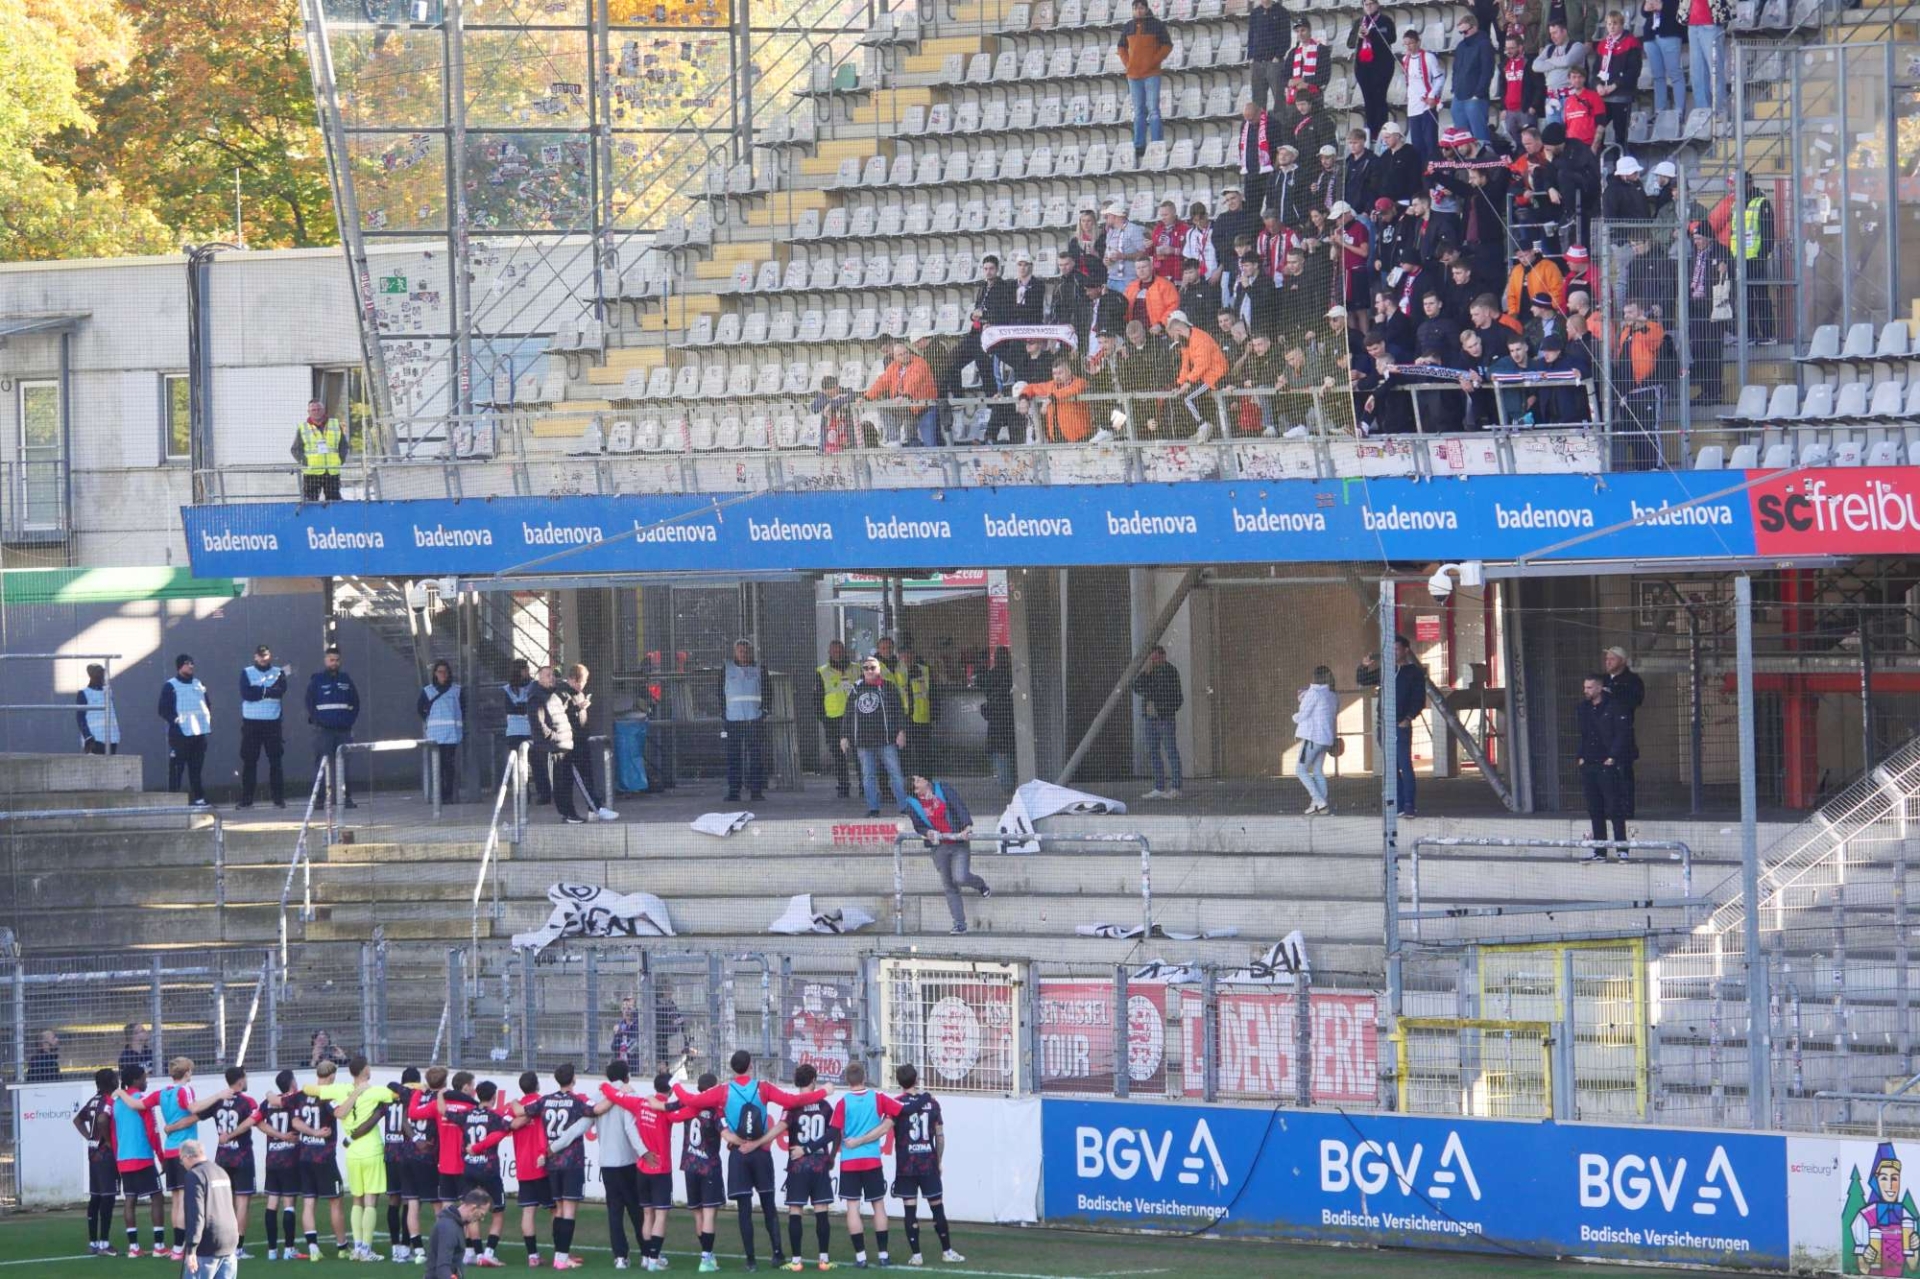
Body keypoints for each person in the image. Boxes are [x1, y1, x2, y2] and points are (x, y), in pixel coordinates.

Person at [672, 1051, 830, 1272]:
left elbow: (691, 1100)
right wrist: (823, 1092)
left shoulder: (723, 1090)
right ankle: (777, 1254)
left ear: (732, 1068)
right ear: (751, 1066)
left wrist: (675, 1084)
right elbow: (793, 1101)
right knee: (768, 1205)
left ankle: (751, 1260)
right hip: (760, 1151)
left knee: (744, 1210)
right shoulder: (762, 1087)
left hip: (739, 1153)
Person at [171, 1066, 263, 1262]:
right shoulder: (248, 1102)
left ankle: (221, 1243)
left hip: (222, 1159)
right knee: (242, 1202)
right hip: (242, 1157)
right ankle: (238, 1248)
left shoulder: (218, 1102)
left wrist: (172, 1127)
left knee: (222, 1203)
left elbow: (193, 1118)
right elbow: (256, 1122)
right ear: (240, 1081)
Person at [886, 1064, 962, 1266]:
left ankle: (917, 1255)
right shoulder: (932, 1103)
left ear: (899, 1082)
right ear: (916, 1079)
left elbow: (887, 1129)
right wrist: (939, 1160)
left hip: (906, 1165)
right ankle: (947, 1251)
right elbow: (940, 1136)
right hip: (928, 1163)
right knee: (937, 1207)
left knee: (909, 1210)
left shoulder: (896, 1104)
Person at [832, 1062, 903, 1268]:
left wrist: (832, 1156)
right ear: (864, 1077)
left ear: (847, 1080)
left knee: (852, 1207)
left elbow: (836, 1132)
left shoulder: (843, 1103)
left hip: (849, 1161)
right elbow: (899, 1110)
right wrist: (886, 1121)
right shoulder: (877, 1098)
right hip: (872, 1159)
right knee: (878, 1205)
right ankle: (883, 1255)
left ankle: (861, 1257)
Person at [902, 774, 992, 935]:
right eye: (917, 780)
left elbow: (959, 806)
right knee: (949, 885)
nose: (922, 778)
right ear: (916, 790)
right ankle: (959, 924)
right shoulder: (912, 804)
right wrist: (928, 832)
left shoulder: (942, 788)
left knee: (961, 877)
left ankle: (980, 885)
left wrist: (967, 826)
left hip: (958, 841)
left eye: (920, 777)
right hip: (939, 847)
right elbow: (918, 826)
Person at [531, 1064, 599, 1270]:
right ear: (573, 1079)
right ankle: (561, 1258)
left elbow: (524, 1111)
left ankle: (560, 1254)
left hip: (552, 1162)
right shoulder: (577, 1101)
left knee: (559, 1209)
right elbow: (596, 1109)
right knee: (568, 1210)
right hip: (572, 1162)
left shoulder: (545, 1100)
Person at [336, 1055, 401, 1263]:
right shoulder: (376, 1091)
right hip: (371, 1151)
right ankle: (365, 1249)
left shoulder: (342, 1090)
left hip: (352, 1153)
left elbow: (316, 1091)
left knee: (357, 1200)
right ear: (364, 1070)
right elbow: (398, 1095)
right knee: (370, 1201)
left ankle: (357, 1248)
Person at [453, 1081, 512, 1267]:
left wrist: (442, 1095)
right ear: (494, 1097)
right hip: (489, 1168)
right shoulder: (495, 1116)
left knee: (472, 1209)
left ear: (477, 1095)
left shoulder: (466, 1115)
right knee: (498, 1212)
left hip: (469, 1168)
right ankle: (488, 1252)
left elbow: (444, 1111)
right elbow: (511, 1124)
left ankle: (475, 1253)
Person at [111, 1063, 167, 1258]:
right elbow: (153, 1131)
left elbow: (114, 1135)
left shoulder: (117, 1103)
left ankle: (134, 1248)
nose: (146, 1081)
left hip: (124, 1159)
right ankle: (159, 1246)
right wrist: (161, 1157)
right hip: (142, 1157)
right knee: (157, 1197)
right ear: (135, 1080)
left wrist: (118, 1159)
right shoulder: (142, 1100)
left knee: (130, 1199)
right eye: (144, 1077)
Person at [844, 654, 910, 818]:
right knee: (868, 776)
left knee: (895, 773)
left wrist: (901, 731)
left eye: (872, 668)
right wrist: (844, 736)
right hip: (863, 741)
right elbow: (848, 713)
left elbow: (899, 710)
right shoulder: (856, 688)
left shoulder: (888, 687)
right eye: (866, 668)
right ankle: (873, 808)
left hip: (886, 739)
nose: (869, 671)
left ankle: (905, 807)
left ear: (879, 669)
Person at [1576, 673, 1633, 860]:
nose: (1586, 691)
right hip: (1589, 763)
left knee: (1614, 808)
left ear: (1599, 688)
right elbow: (1582, 734)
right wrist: (1580, 757)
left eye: (1589, 687)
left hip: (1607, 764)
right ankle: (1599, 851)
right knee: (1595, 809)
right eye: (1585, 687)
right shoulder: (1583, 708)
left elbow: (1622, 733)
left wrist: (1612, 757)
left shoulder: (1614, 706)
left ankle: (1622, 850)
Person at [304, 646, 361, 808]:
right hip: (323, 731)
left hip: (343, 730)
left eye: (336, 660)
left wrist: (349, 721)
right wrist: (318, 721)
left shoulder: (346, 680)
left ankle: (345, 798)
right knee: (321, 765)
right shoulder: (317, 680)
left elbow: (355, 703)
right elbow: (309, 703)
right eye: (331, 660)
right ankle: (319, 800)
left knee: (344, 765)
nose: (334, 663)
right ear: (325, 660)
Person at [1115, 0, 1172, 158]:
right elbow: (1121, 47)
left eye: (1141, 8)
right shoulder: (1128, 26)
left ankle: (1157, 143)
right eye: (1135, 8)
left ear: (1146, 9)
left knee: (1153, 110)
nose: (1138, 11)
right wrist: (1128, 64)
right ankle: (1139, 145)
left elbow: (1167, 45)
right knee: (1139, 111)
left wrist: (1153, 61)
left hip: (1151, 74)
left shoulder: (1156, 25)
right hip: (1133, 76)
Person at [718, 638, 772, 803]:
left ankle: (756, 791)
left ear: (751, 652)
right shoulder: (726, 669)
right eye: (740, 651)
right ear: (735, 652)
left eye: (746, 651)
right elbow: (720, 692)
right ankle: (734, 792)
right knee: (733, 757)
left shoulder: (759, 669)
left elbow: (768, 691)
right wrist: (723, 712)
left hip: (754, 719)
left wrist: (765, 711)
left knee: (756, 756)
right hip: (733, 719)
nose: (744, 654)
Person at [562, 664, 618, 820]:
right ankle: (594, 808)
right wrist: (578, 709)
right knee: (577, 778)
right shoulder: (563, 693)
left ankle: (593, 809)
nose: (584, 685)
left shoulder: (578, 694)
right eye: (582, 681)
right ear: (573, 679)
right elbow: (561, 714)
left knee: (587, 775)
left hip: (581, 739)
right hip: (570, 742)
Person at [235, 643, 288, 809]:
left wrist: (259, 690)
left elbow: (280, 691)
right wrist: (267, 691)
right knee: (249, 761)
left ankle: (278, 799)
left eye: (265, 655)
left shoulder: (278, 672)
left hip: (272, 722)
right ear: (255, 656)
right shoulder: (247, 672)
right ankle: (247, 799)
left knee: (275, 761)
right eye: (260, 655)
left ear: (269, 656)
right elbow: (247, 694)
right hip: (251, 723)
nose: (263, 658)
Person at [178, 1140, 239, 1279]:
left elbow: (195, 1214)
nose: (182, 1164)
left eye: (181, 1160)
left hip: (207, 1244)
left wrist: (191, 1248)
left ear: (188, 1156)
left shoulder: (194, 1175)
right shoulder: (221, 1172)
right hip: (229, 1240)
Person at [381, 1067, 423, 1263]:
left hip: (390, 1153)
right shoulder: (415, 1096)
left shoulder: (389, 1098)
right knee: (410, 1201)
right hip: (406, 1154)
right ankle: (406, 1246)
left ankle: (395, 1247)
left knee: (393, 1200)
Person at [159, 654, 212, 807]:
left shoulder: (198, 683)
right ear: (180, 666)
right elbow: (163, 709)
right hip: (180, 734)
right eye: (187, 663)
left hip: (198, 733)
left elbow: (207, 704)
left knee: (196, 769)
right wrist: (175, 720)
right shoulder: (171, 685)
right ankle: (173, 801)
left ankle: (199, 798)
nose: (191, 666)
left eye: (192, 663)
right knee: (177, 768)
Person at [78, 1066, 121, 1255]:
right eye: (116, 1079)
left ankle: (93, 1243)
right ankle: (104, 1243)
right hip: (105, 1154)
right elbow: (103, 1120)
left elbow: (78, 1120)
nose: (118, 1081)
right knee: (108, 1197)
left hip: (93, 1153)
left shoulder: (93, 1100)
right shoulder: (108, 1100)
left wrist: (90, 1137)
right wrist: (109, 1142)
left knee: (95, 1197)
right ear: (111, 1082)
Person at [1132, 646, 1184, 800]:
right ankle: (1159, 787)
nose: (1153, 661)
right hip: (1150, 717)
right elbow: (1136, 687)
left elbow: (1175, 696)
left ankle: (1176, 787)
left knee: (1170, 751)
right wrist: (1145, 672)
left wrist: (1167, 709)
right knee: (1153, 751)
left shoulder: (1169, 671)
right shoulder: (1150, 671)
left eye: (1155, 658)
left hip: (1164, 717)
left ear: (1162, 656)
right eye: (1151, 658)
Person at [1602, 645, 1645, 819]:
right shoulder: (1603, 679)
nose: (1608, 662)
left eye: (1612, 659)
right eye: (1607, 659)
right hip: (1603, 733)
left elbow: (1635, 701)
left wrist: (1613, 694)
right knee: (1605, 774)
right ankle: (1609, 809)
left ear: (1622, 661)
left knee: (1623, 772)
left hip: (1621, 731)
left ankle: (1626, 810)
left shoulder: (1632, 680)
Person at [1346, 0, 1397, 139]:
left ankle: (1383, 135)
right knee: (1368, 102)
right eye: (1366, 4)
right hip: (1363, 68)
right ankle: (1372, 135)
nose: (1369, 7)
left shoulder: (1385, 20)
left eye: (1371, 3)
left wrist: (1371, 33)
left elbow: (1392, 38)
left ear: (1377, 4)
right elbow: (1350, 43)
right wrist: (1358, 36)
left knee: (1380, 100)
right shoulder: (1358, 22)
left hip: (1382, 67)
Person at [501, 659, 549, 804]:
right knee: (518, 765)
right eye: (524, 669)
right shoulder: (507, 689)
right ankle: (523, 795)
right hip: (515, 732)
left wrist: (522, 706)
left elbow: (537, 704)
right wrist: (526, 706)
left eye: (527, 669)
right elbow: (510, 709)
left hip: (532, 730)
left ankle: (544, 795)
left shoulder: (534, 686)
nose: (527, 672)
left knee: (538, 763)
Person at [1293, 666, 1338, 814]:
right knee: (1318, 771)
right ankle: (1321, 805)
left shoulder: (1313, 693)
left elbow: (1303, 714)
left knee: (1300, 770)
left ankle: (1318, 800)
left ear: (1315, 677)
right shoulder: (1333, 695)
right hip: (1326, 739)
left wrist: (1295, 715)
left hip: (1312, 738)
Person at [419, 660, 464, 804]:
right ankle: (439, 795)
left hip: (451, 735)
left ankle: (447, 796)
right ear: (435, 674)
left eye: (445, 671)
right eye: (440, 671)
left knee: (448, 767)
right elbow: (420, 709)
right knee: (438, 767)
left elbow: (463, 708)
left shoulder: (457, 690)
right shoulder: (427, 691)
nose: (443, 674)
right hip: (435, 736)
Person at [425, 1187, 494, 1279]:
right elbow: (443, 1268)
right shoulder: (449, 1228)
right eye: (481, 1214)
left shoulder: (455, 1223)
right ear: (473, 1208)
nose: (482, 1219)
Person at [289, 399, 348, 503]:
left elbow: (343, 445)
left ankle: (332, 514)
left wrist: (340, 459)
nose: (316, 412)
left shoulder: (335, 424)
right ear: (309, 412)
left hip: (331, 470)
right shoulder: (303, 428)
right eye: (313, 410)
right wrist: (306, 462)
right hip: (312, 472)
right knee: (310, 501)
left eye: (318, 409)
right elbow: (295, 449)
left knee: (334, 501)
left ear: (324, 410)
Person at [1450, 14, 1496, 144]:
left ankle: (1484, 156)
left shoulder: (1484, 44)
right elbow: (1455, 69)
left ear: (1474, 27)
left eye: (1465, 31)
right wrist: (1454, 88)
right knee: (1462, 138)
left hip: (1475, 97)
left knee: (1479, 135)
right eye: (1461, 32)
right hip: (1459, 95)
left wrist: (1478, 93)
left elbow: (1487, 70)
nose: (1464, 35)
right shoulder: (1460, 46)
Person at [1400, 28, 1444, 162]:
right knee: (1417, 144)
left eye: (1411, 43)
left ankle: (1435, 170)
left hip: (1426, 106)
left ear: (1418, 42)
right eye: (1406, 44)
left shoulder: (1428, 57)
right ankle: (1422, 171)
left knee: (1430, 142)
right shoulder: (1405, 59)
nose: (1408, 47)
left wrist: (1432, 95)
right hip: (1413, 107)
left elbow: (1439, 78)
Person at [981, 646, 1016, 793]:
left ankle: (1005, 783)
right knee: (1009, 753)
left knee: (999, 754)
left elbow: (985, 691)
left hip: (995, 721)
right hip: (1009, 720)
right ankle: (1010, 783)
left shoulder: (991, 675)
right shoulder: (1011, 675)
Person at [75, 662, 119, 754]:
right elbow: (80, 717)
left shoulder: (108, 691)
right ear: (91, 675)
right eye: (98, 673)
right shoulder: (84, 693)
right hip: (95, 740)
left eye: (102, 673)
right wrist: (88, 736)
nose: (101, 676)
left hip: (112, 738)